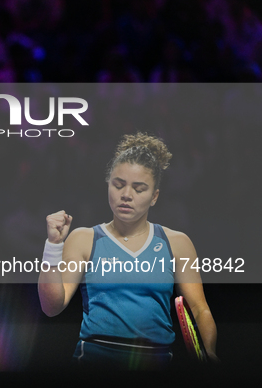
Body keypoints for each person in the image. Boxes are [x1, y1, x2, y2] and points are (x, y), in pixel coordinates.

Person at [38, 132, 218, 371]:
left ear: (154, 197)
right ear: (108, 185)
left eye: (139, 188)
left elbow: (199, 308)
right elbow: (51, 307)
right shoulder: (84, 239)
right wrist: (53, 246)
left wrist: (210, 351)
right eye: (118, 184)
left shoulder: (176, 243)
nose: (126, 195)